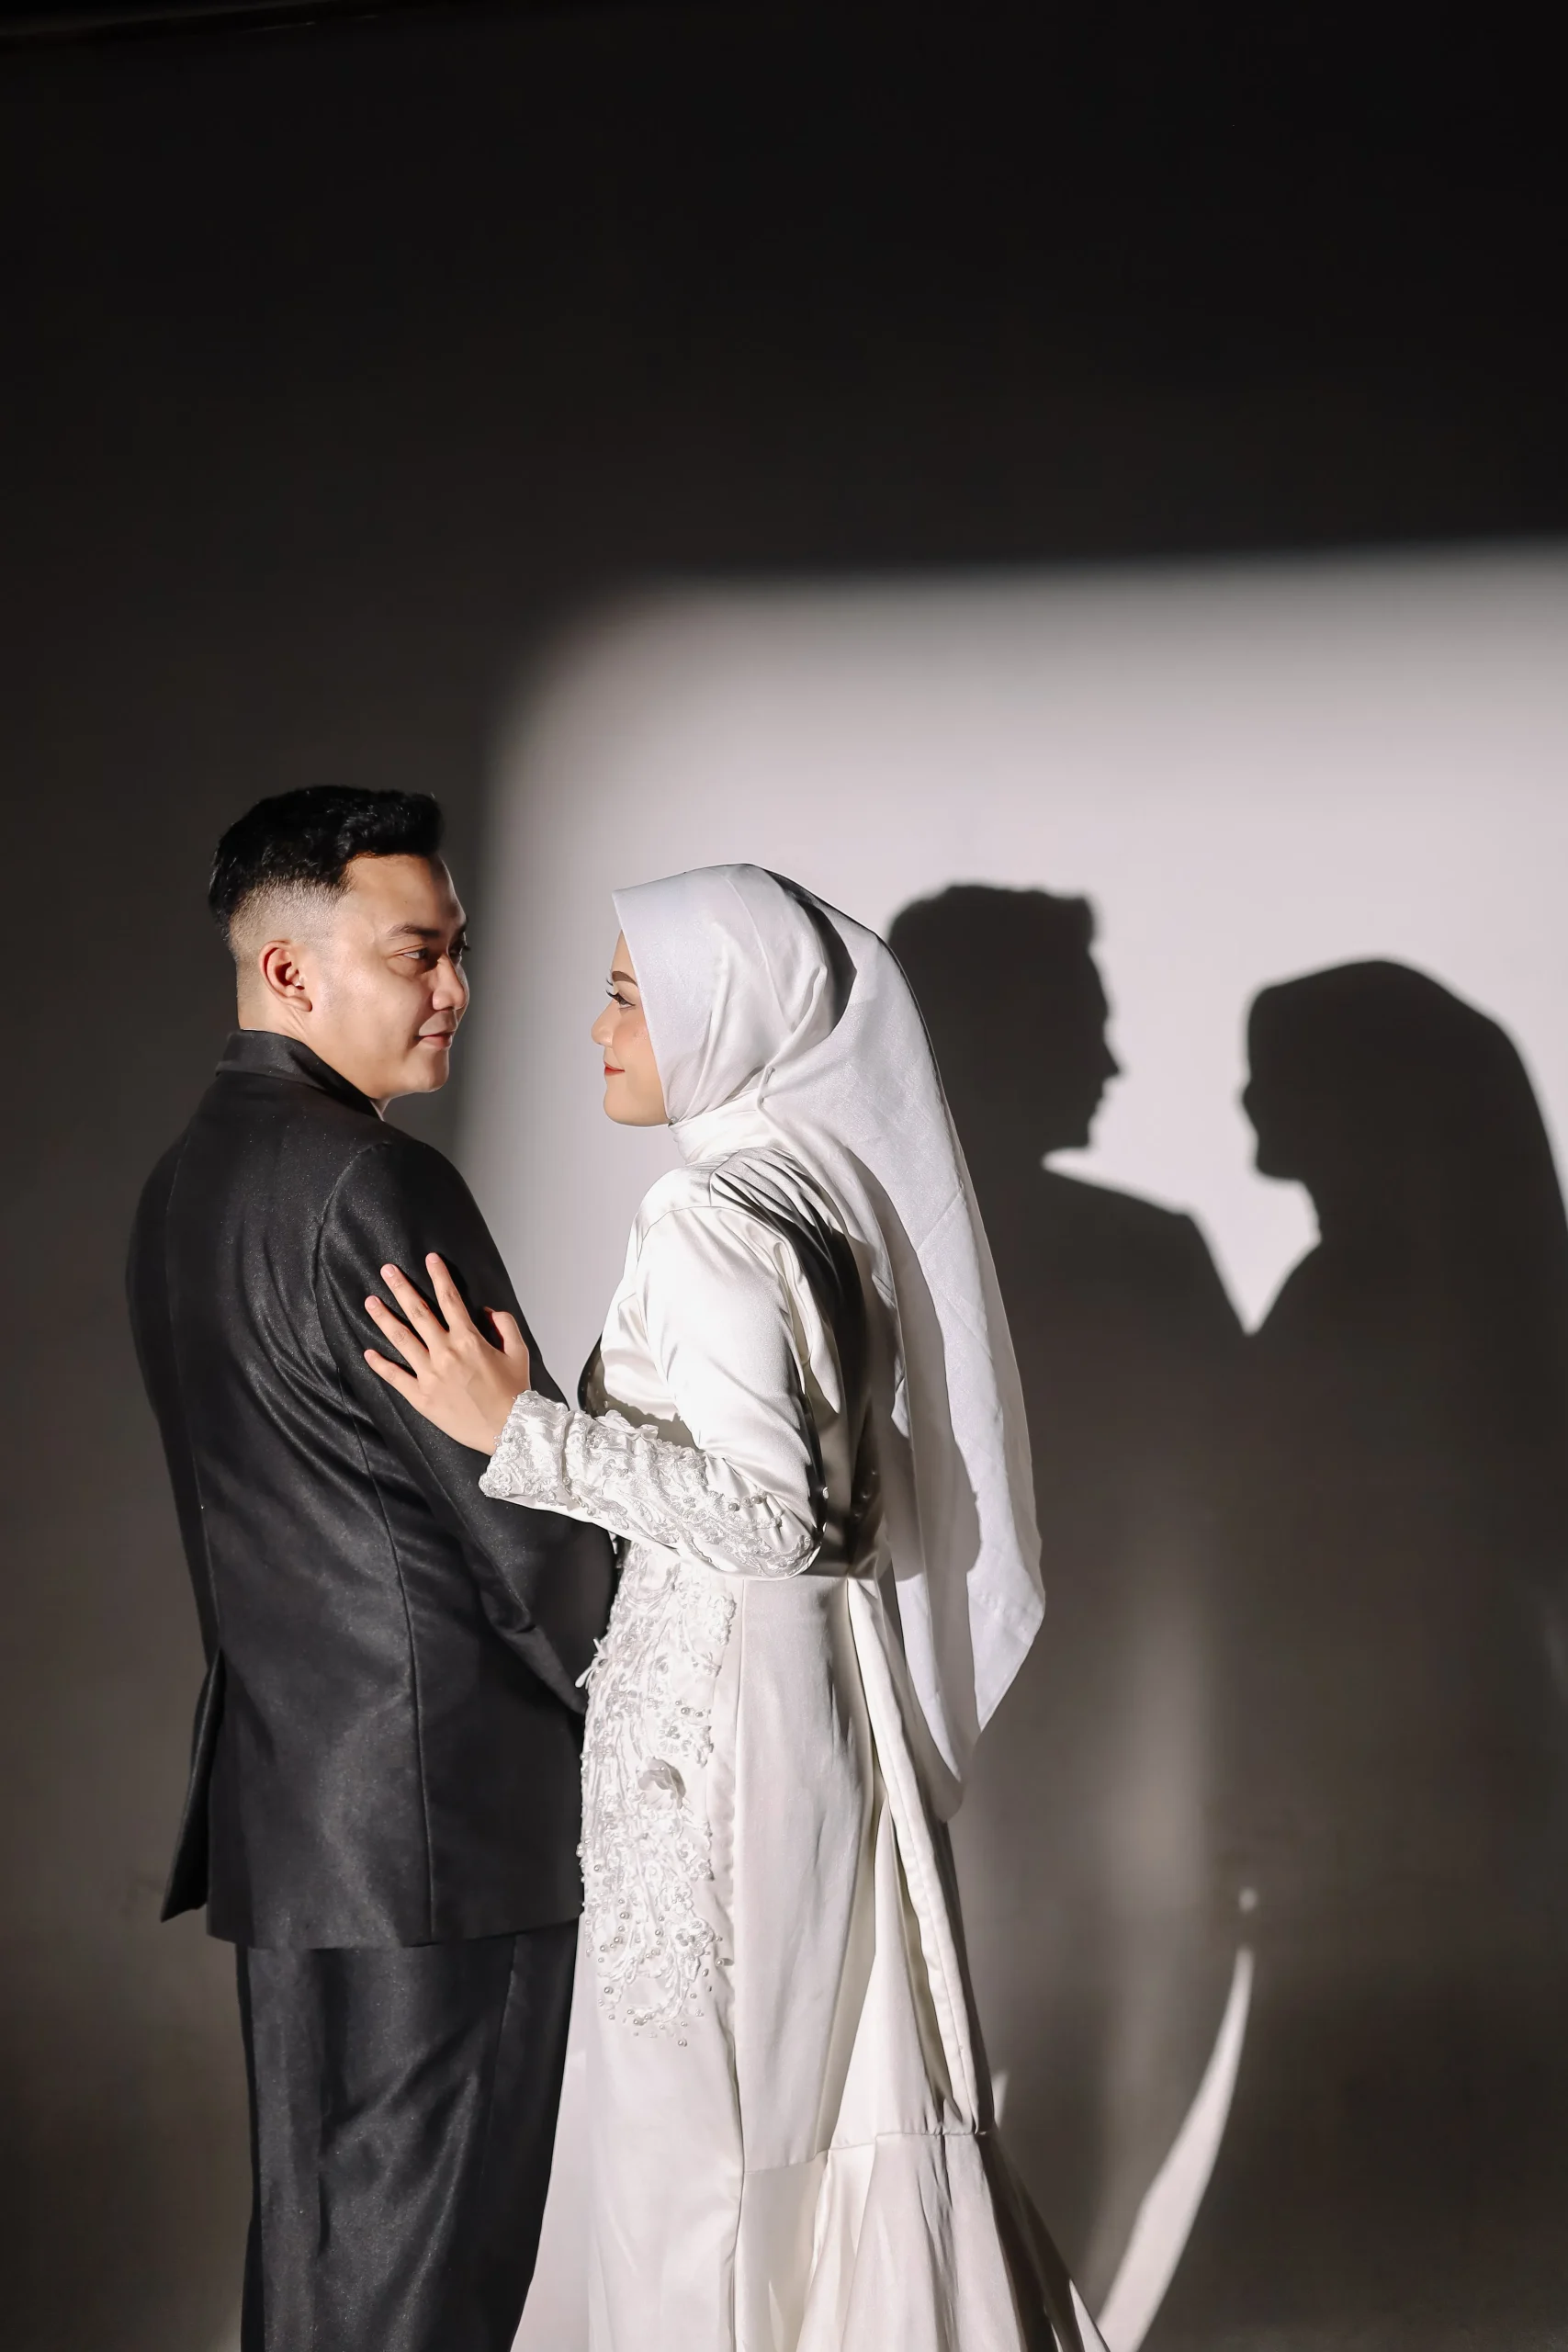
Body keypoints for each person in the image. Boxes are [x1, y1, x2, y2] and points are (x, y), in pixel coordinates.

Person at [362, 863, 1108, 2352]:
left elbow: (783, 1518)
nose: (597, 1032)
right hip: (795, 1703)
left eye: (628, 1000)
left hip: (717, 1730)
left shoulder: (711, 1211)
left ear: (725, 1013)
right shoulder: (815, 1191)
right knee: (784, 2093)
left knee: (692, 2124)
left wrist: (520, 1432)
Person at [126, 787, 615, 2352]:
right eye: (420, 953)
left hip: (294, 1809)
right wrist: (656, 1698)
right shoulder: (376, 1183)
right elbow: (512, 1507)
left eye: (459, 949)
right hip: (447, 1823)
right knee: (427, 2281)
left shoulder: (181, 1186)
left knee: (327, 2261)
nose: (457, 987)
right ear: (290, 971)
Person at [1161, 960, 1568, 2346]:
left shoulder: (1354, 1298)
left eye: (1270, 1071)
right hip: (1465, 1807)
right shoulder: (1485, 1298)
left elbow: (1266, 1573)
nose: (1244, 1099)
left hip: (1375, 1822)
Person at [889, 887, 1240, 2287]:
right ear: (991, 1028)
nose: (1109, 1060)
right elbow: (1230, 1521)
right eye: (1079, 1021)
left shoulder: (836, 1243)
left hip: (979, 1752)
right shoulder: (1141, 1257)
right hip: (1090, 1765)